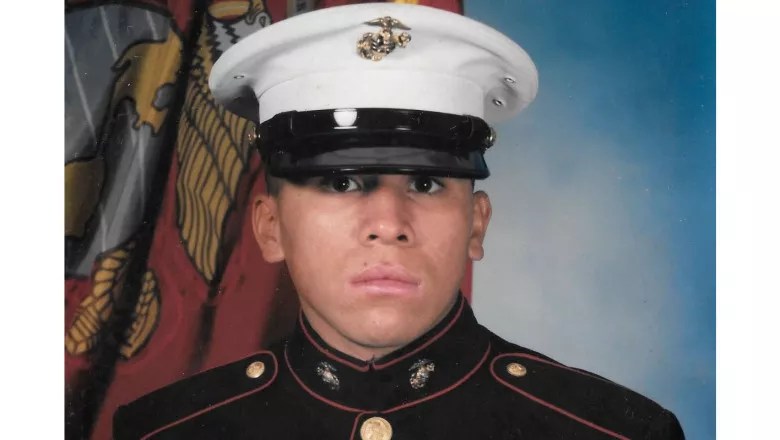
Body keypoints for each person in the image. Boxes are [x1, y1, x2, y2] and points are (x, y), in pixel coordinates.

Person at [113, 3, 685, 439]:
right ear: (270, 228)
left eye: (426, 183)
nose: (388, 223)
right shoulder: (166, 431)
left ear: (476, 224)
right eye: (341, 183)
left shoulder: (617, 432)